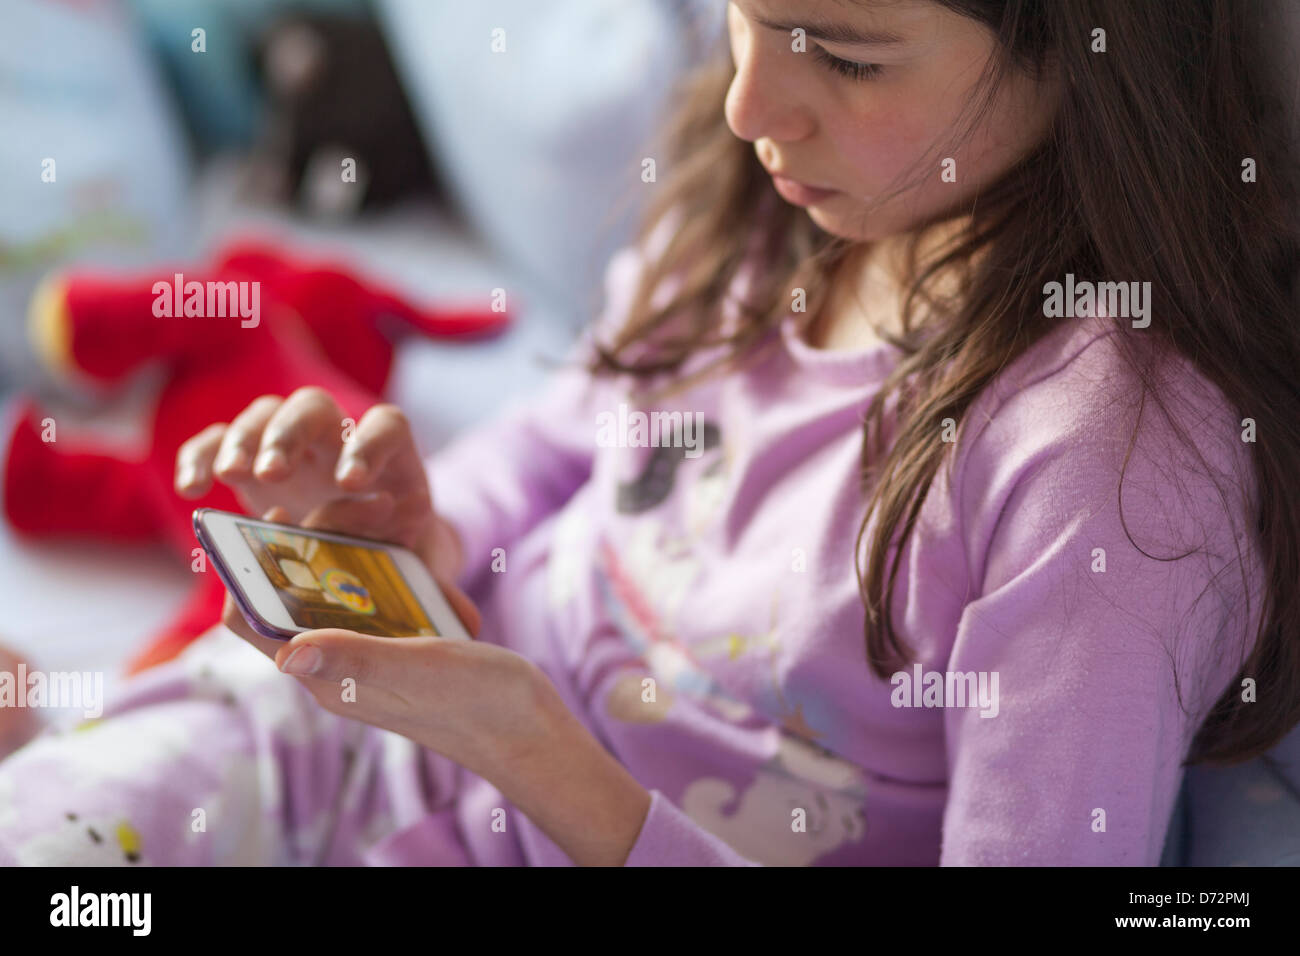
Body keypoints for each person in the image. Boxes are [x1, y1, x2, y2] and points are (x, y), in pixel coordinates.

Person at [2, 0, 1297, 866]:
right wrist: (429, 532)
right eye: (741, 12)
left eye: (843, 55)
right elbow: (575, 440)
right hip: (353, 751)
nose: (750, 102)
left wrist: (551, 773)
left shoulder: (1112, 478)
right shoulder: (775, 199)